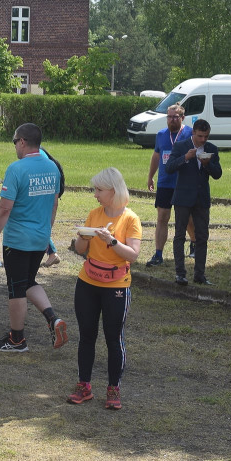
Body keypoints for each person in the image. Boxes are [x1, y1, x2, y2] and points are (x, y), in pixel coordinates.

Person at [0, 123, 68, 352]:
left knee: (16, 288)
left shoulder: (16, 169)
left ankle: (17, 339)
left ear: (22, 141)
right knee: (28, 282)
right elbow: (54, 203)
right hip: (40, 238)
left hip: (18, 239)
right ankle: (53, 319)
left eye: (14, 142)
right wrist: (46, 232)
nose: (14, 147)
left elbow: (4, 208)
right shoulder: (52, 168)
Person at [67, 167, 141, 411]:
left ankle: (113, 388)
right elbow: (80, 250)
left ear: (113, 190)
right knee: (87, 335)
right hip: (87, 282)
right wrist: (85, 237)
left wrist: (111, 241)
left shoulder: (130, 219)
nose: (95, 194)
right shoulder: (94, 214)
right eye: (95, 189)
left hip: (116, 287)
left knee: (113, 337)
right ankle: (84, 385)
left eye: (99, 190)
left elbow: (133, 255)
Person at [166, 118, 222, 286]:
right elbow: (169, 168)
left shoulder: (212, 149)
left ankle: (200, 274)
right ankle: (180, 274)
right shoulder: (181, 146)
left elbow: (218, 174)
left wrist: (207, 164)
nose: (203, 140)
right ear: (193, 133)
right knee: (180, 235)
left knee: (202, 236)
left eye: (206, 136)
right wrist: (185, 157)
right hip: (183, 197)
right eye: (200, 136)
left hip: (201, 198)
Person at [145, 103, 195, 267]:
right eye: (169, 116)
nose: (171, 120)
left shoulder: (189, 133)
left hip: (183, 182)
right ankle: (158, 253)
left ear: (182, 118)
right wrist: (151, 176)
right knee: (162, 218)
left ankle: (194, 243)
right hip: (165, 182)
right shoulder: (161, 135)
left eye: (175, 117)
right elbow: (156, 156)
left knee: (187, 219)